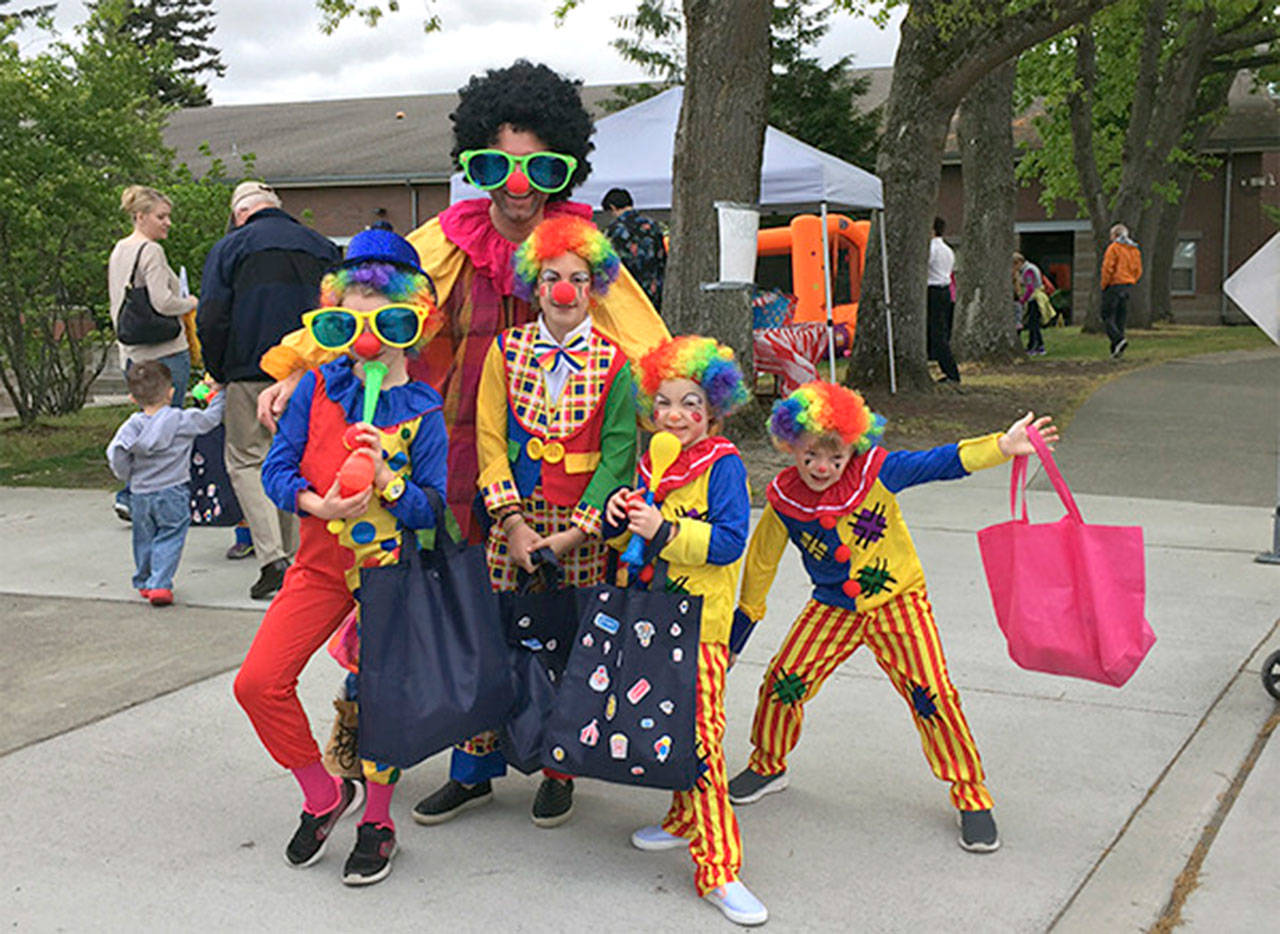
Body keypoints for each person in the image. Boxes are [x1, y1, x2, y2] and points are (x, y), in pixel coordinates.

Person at [257, 61, 668, 541]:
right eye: (497, 165)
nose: (518, 186)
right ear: (474, 164)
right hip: (448, 456)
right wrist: (297, 368)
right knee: (453, 600)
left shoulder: (582, 253)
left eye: (541, 167)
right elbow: (363, 312)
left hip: (558, 476)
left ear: (564, 169)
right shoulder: (447, 241)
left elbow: (643, 344)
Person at [723, 381, 1059, 856]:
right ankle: (768, 763)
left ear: (853, 448)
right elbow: (760, 564)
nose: (822, 468)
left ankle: (971, 794)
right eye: (811, 456)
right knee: (784, 680)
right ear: (790, 445)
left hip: (897, 604)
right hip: (833, 609)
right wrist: (741, 629)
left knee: (932, 695)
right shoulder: (783, 497)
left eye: (835, 457)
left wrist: (1001, 447)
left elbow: (938, 462)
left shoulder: (877, 472)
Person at [232, 228, 447, 887]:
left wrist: (389, 482)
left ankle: (378, 821)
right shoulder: (314, 389)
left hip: (390, 578)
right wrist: (315, 506)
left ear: (412, 324)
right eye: (349, 319)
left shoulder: (425, 410)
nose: (367, 336)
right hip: (320, 567)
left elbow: (433, 512)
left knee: (379, 699)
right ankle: (324, 795)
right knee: (258, 682)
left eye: (383, 320)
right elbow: (274, 471)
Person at [412, 215, 638, 829]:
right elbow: (489, 439)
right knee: (492, 645)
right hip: (514, 523)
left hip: (581, 533)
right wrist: (511, 524)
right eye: (552, 278)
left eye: (578, 279)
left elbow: (619, 456)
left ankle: (560, 769)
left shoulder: (617, 363)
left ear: (595, 288)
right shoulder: (506, 353)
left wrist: (576, 532)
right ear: (533, 286)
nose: (564, 291)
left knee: (572, 650)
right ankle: (472, 773)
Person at [602, 336, 767, 927]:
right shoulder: (651, 464)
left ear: (714, 410)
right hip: (648, 620)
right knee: (670, 725)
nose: (676, 415)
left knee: (699, 739)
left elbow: (727, 545)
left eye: (691, 403)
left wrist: (664, 528)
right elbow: (630, 545)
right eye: (666, 403)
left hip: (700, 626)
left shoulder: (723, 464)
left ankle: (719, 870)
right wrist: (618, 522)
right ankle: (680, 819)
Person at [197, 181, 340, 600]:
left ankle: (272, 557)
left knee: (246, 461)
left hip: (248, 368)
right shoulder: (322, 245)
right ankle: (299, 558)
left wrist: (217, 368)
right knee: (297, 457)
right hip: (310, 372)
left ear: (240, 213)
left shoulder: (231, 247)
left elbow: (211, 315)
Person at [107, 185, 200, 522]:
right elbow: (162, 302)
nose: (168, 223)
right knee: (167, 427)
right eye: (161, 216)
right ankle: (147, 496)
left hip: (133, 351)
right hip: (164, 350)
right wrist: (189, 303)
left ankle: (131, 492)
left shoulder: (119, 250)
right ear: (140, 216)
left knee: (144, 423)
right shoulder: (151, 252)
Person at [106, 361, 226, 606]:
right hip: (174, 490)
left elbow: (116, 452)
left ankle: (144, 580)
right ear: (171, 392)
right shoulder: (182, 420)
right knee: (170, 535)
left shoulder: (131, 427)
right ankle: (160, 583)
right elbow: (212, 419)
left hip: (140, 492)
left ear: (132, 397)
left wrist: (127, 474)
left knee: (144, 536)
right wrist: (220, 394)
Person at [602, 187, 666, 310]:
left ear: (613, 207)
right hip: (654, 286)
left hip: (629, 288)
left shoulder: (615, 229)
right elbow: (662, 255)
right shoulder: (652, 225)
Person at [1101, 223, 1142, 359]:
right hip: (1128, 285)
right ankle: (1116, 350)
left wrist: (1104, 284)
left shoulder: (1114, 248)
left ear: (1115, 235)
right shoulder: (1134, 250)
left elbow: (1108, 268)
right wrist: (1132, 280)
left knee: (1106, 315)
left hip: (1114, 284)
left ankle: (1118, 340)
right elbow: (1138, 270)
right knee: (1120, 317)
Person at [926, 216, 960, 383]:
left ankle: (951, 372)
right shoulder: (948, 249)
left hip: (933, 289)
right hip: (945, 290)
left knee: (938, 333)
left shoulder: (932, 249)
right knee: (940, 331)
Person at [1013, 252, 1051, 356]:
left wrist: (1023, 300)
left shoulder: (1028, 271)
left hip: (1034, 298)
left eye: (1015, 265)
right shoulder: (1031, 267)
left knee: (1033, 323)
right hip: (1035, 297)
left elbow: (1030, 288)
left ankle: (1033, 346)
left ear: (1019, 262)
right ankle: (1039, 345)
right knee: (1034, 323)